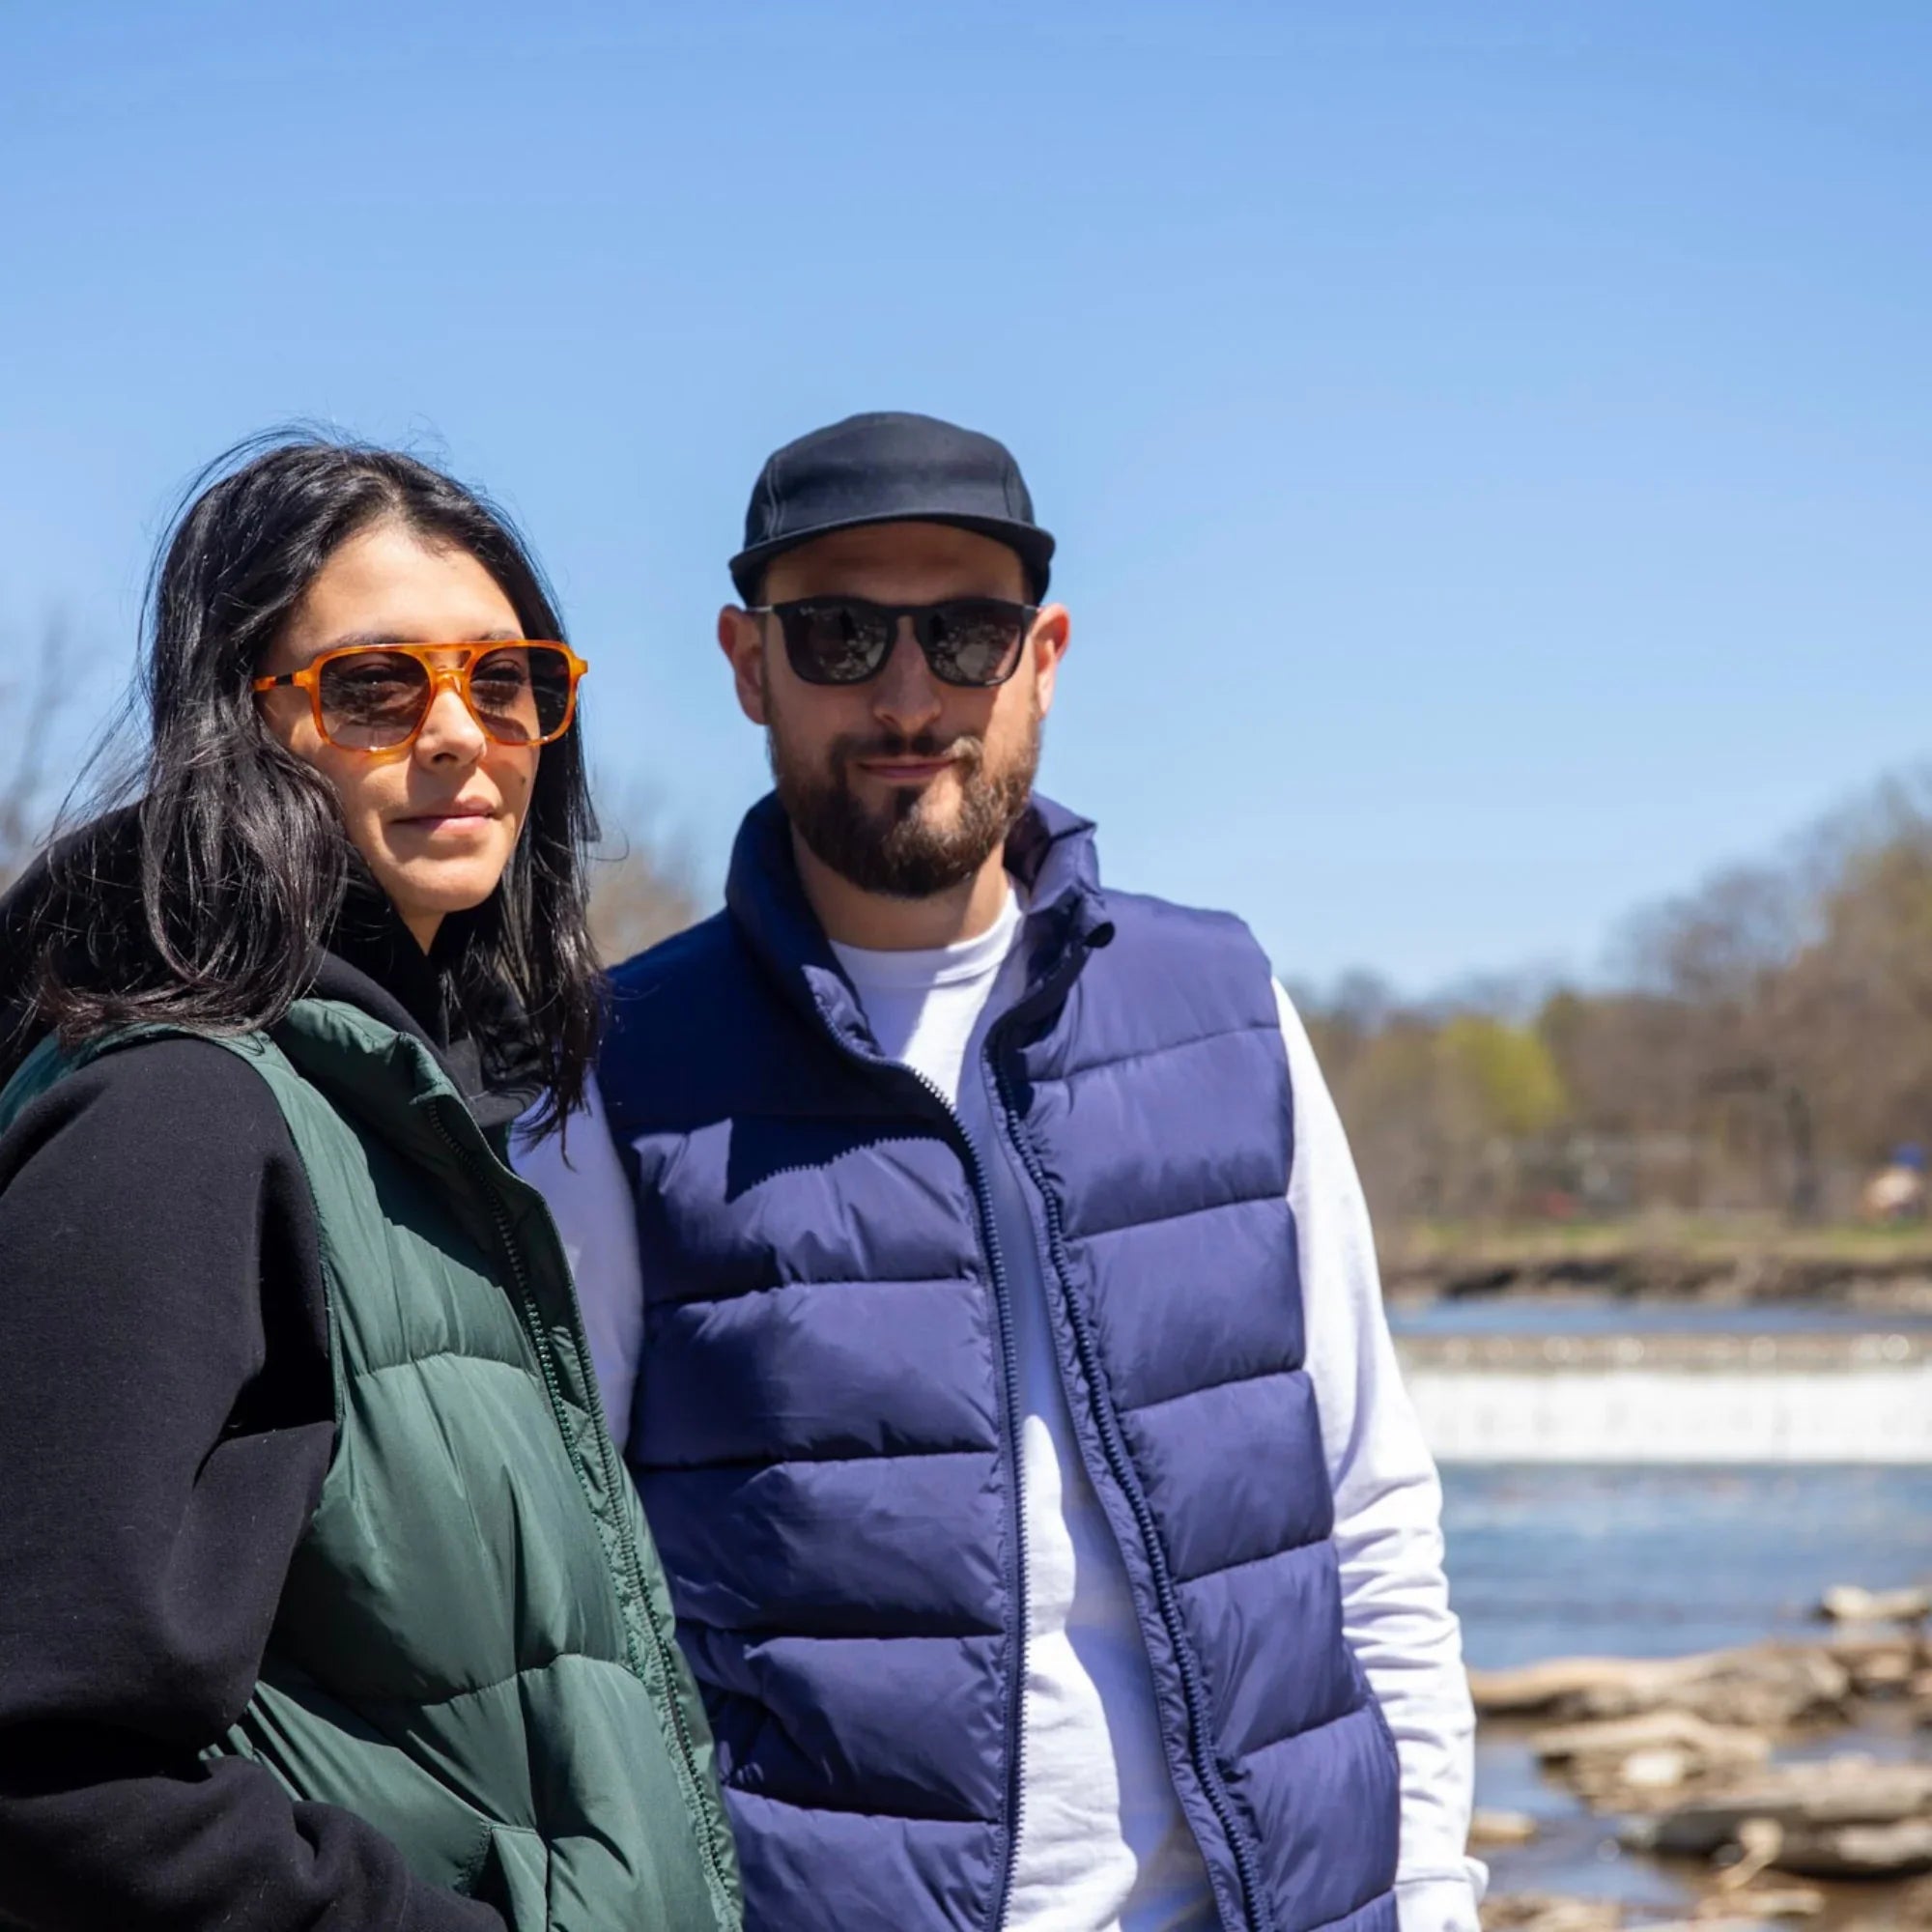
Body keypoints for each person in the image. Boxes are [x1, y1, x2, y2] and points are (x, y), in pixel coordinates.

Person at [519, 411, 1484, 1932]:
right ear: (747, 660)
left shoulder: (1225, 1011)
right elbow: (570, 1618)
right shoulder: (619, 1073)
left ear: (1042, 657)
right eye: (838, 634)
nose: (909, 695)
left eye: (965, 634)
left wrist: (1426, 1897)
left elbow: (1367, 1517)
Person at [0, 439, 741, 1931]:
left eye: (509, 679)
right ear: (242, 726)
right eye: (376, 687)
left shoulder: (421, 1119)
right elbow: (47, 1762)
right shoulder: (176, 1120)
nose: (461, 735)